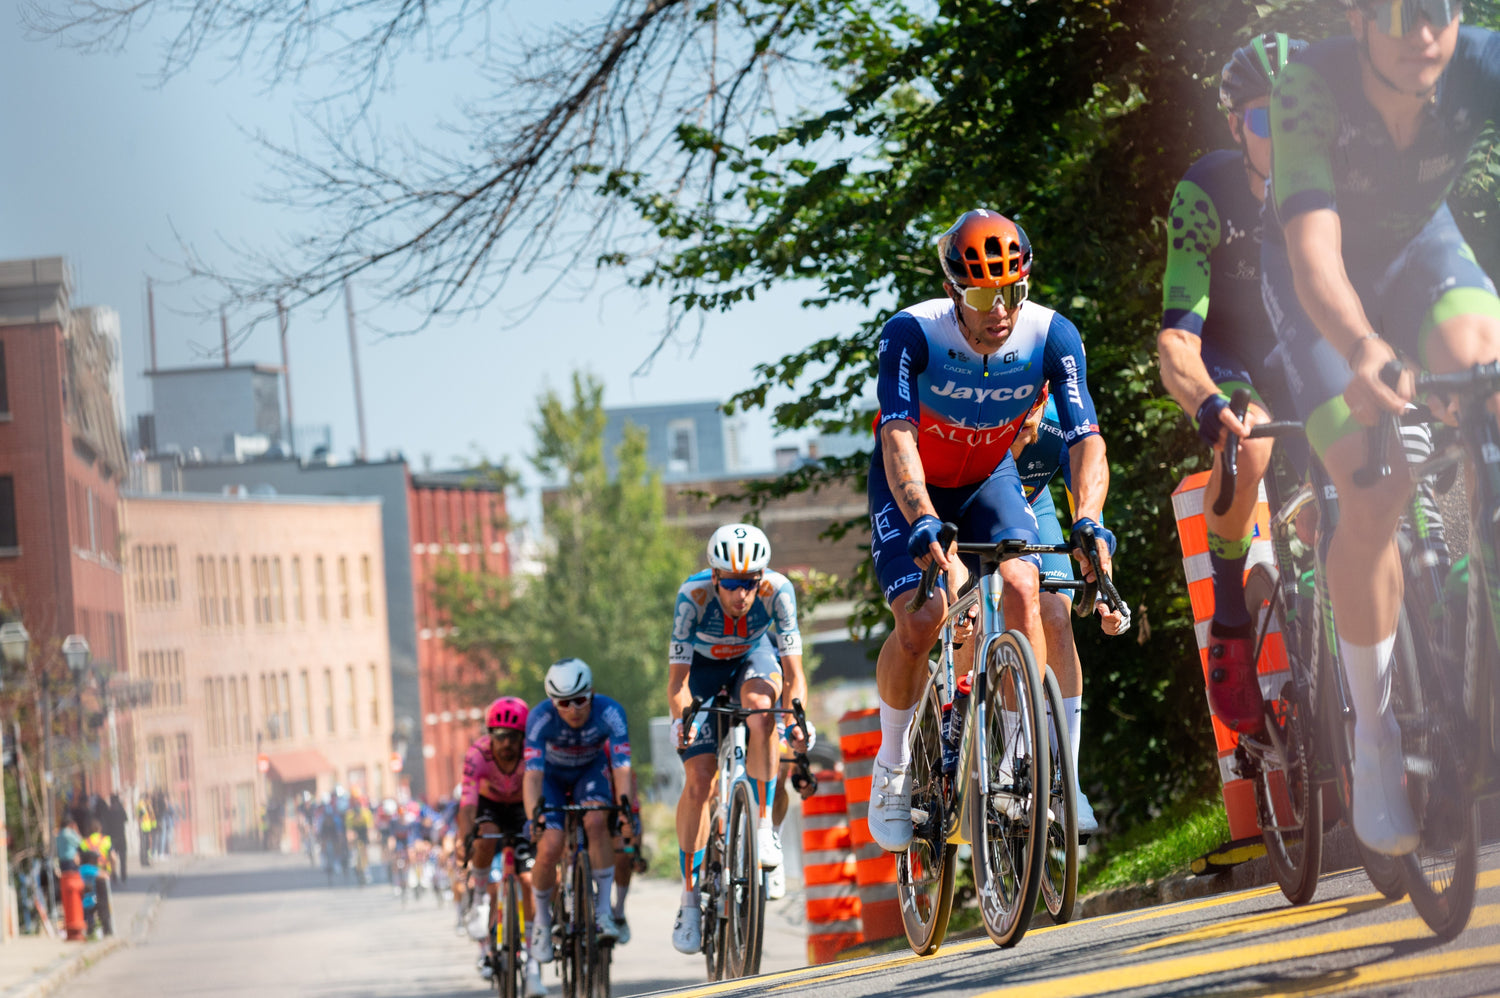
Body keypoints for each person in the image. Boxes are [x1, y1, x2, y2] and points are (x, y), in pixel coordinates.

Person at [1261, 0, 1500, 854]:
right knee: (1371, 484)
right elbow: (1313, 254)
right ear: (1359, 20)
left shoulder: (1482, 63)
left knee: (1488, 374)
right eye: (1399, 13)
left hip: (1423, 254)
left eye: (1439, 9)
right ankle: (1375, 734)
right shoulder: (1308, 88)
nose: (1422, 33)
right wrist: (1365, 349)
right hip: (1318, 279)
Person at [865, 208, 1115, 853]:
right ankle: (893, 764)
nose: (999, 309)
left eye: (1012, 290)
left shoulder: (1051, 334)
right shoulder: (913, 333)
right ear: (954, 291)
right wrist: (922, 516)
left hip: (989, 477)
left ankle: (1023, 768)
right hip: (914, 480)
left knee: (1027, 587)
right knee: (923, 621)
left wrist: (1089, 519)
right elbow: (897, 434)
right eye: (982, 296)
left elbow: (1086, 437)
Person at [1158, 31, 1308, 735]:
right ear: (1235, 126)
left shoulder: (1346, 178)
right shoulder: (1206, 192)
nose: (1285, 135)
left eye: (1299, 116)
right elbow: (1176, 340)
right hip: (1232, 352)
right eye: (1264, 119)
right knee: (1250, 448)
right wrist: (1207, 401)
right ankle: (1230, 619)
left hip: (1305, 347)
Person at [668, 523, 809, 951]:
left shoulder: (778, 591)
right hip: (702, 672)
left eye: (750, 583)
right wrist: (683, 720)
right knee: (699, 781)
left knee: (763, 714)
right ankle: (689, 901)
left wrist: (796, 718)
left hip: (753, 657)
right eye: (731, 583)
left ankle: (764, 828)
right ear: (715, 577)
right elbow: (677, 683)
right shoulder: (692, 597)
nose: (741, 594)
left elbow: (794, 674)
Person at [1011, 391, 1128, 833]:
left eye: (1036, 406)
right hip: (970, 503)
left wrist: (1103, 587)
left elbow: (1087, 501)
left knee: (1056, 618)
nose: (1029, 419)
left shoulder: (1059, 420)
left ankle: (1068, 780)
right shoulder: (985, 406)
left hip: (1031, 502)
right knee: (986, 611)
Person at [523, 658, 634, 960]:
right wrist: (534, 817)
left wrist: (625, 810)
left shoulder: (610, 712)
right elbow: (532, 776)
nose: (573, 709)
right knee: (550, 844)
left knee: (597, 822)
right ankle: (542, 922)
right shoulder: (540, 717)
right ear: (552, 702)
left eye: (580, 700)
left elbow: (622, 768)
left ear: (592, 693)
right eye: (563, 703)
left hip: (589, 772)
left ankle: (603, 913)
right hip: (552, 779)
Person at [457, 696, 545, 997]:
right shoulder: (477, 754)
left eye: (514, 737)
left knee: (529, 880)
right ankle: (480, 900)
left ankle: (532, 967)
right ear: (490, 734)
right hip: (490, 806)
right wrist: (464, 838)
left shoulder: (532, 751)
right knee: (484, 835)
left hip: (522, 807)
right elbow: (468, 803)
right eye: (500, 736)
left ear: (523, 736)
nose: (506, 743)